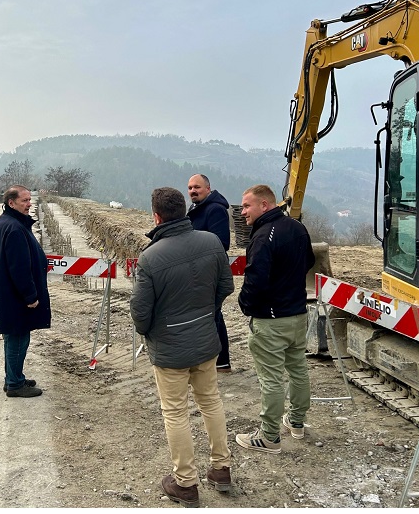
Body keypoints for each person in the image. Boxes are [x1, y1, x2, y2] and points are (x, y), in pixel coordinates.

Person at [130, 187, 235, 508]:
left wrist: (151, 332)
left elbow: (140, 312)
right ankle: (221, 469)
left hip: (170, 347)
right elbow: (226, 286)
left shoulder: (150, 257)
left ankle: (186, 483)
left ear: (156, 217)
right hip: (206, 340)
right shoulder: (211, 242)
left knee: (175, 412)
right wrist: (206, 313)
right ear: (184, 210)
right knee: (211, 402)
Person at [235, 184, 315, 454]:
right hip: (297, 315)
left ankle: (269, 436)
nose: (242, 212)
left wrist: (245, 304)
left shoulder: (262, 237)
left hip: (271, 321)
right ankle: (297, 422)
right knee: (298, 370)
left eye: (247, 206)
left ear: (264, 205)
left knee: (271, 379)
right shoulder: (297, 227)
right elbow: (308, 261)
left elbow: (255, 280)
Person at [0, 185, 51, 398]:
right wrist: (30, 295)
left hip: (9, 294)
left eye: (29, 200)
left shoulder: (7, 222)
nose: (29, 204)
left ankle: (13, 377)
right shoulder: (14, 228)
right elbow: (19, 267)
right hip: (16, 297)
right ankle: (15, 384)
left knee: (13, 337)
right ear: (11, 203)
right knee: (18, 338)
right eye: (24, 200)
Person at [187, 173, 232, 372]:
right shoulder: (195, 208)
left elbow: (221, 243)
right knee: (212, 315)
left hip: (210, 272)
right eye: (190, 188)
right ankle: (219, 361)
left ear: (208, 188)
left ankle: (221, 360)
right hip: (198, 270)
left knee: (213, 316)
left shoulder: (215, 210)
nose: (193, 191)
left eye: (197, 187)